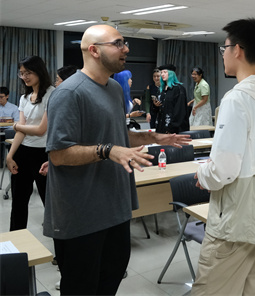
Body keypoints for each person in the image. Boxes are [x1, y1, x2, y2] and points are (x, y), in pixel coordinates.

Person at [44, 24, 190, 295]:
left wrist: (153, 137)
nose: (126, 49)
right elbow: (58, 154)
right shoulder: (69, 93)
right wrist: (108, 150)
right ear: (94, 50)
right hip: (82, 215)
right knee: (81, 288)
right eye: (118, 43)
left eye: (125, 43)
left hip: (116, 208)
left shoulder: (112, 88)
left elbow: (116, 135)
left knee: (109, 281)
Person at [193, 18, 255, 296]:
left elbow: (223, 169)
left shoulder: (237, 99)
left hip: (236, 224)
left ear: (237, 50)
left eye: (223, 48)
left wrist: (202, 175)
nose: (222, 55)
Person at [6, 55, 55, 231]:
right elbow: (21, 131)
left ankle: (60, 244)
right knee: (18, 202)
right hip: (23, 152)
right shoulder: (24, 97)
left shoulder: (52, 94)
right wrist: (10, 156)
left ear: (39, 71)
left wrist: (17, 125)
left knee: (50, 202)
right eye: (22, 73)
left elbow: (42, 129)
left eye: (28, 72)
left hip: (43, 153)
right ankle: (15, 242)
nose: (25, 77)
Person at [155, 64, 190, 134]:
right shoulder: (161, 89)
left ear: (171, 74)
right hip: (161, 126)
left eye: (165, 72)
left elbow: (180, 111)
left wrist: (171, 128)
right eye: (161, 72)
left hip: (174, 129)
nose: (162, 74)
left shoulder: (179, 89)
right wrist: (155, 105)